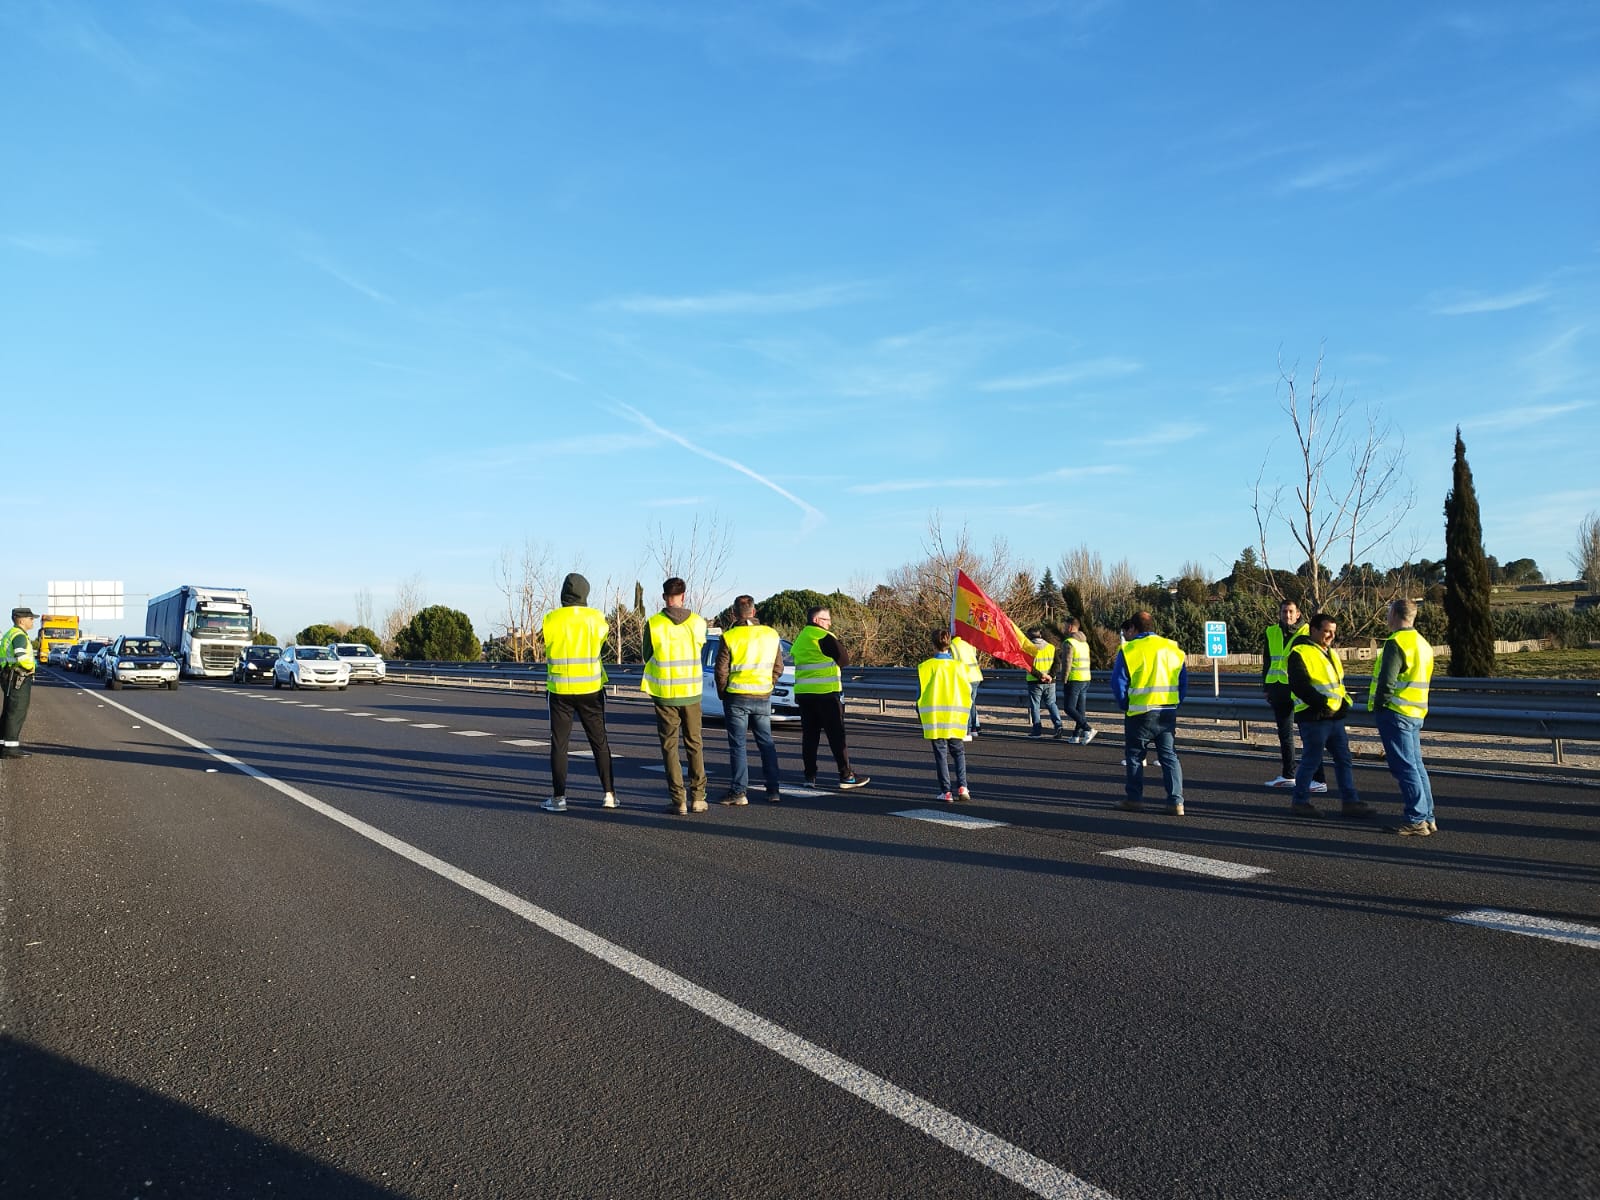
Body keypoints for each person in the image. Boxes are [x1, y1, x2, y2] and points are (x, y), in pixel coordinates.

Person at [1285, 613, 1374, 820]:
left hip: (1334, 717)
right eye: (1326, 631)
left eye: (1333, 632)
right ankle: (1300, 802)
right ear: (1313, 630)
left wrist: (1341, 706)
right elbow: (1300, 686)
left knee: (1344, 759)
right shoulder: (1300, 652)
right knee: (1312, 761)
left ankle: (1350, 802)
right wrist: (1323, 705)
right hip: (1314, 718)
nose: (1330, 635)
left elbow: (1337, 685)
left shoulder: (1330, 653)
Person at [540, 573, 616, 812]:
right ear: (585, 594)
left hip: (560, 689)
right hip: (591, 689)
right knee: (599, 742)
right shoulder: (596, 618)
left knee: (559, 744)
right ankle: (609, 795)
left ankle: (559, 798)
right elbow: (602, 641)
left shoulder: (551, 619)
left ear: (563, 594)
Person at [1369, 598, 1438, 836]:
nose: (1387, 617)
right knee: (1416, 766)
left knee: (1404, 767)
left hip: (1396, 712)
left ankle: (1416, 818)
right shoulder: (1423, 644)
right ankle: (1427, 816)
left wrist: (1379, 706)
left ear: (1394, 615)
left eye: (1388, 612)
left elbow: (1387, 683)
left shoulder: (1396, 642)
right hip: (1416, 711)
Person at [642, 577, 709, 815]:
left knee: (670, 746)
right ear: (683, 596)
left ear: (664, 597)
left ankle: (678, 800)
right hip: (691, 692)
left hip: (665, 693)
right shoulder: (699, 623)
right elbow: (700, 648)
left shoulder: (654, 623)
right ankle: (698, 797)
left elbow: (646, 654)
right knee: (694, 743)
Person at [1109, 611, 1186, 816]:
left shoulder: (1129, 649)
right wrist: (1175, 703)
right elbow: (1182, 682)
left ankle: (1134, 799)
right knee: (1169, 757)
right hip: (1167, 710)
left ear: (1133, 628)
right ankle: (1176, 802)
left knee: (1135, 756)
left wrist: (1126, 704)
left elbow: (1118, 683)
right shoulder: (1172, 647)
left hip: (1140, 712)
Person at [714, 594, 784, 806]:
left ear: (734, 614)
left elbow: (721, 670)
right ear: (754, 612)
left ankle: (739, 792)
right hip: (763, 696)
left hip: (736, 696)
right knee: (766, 743)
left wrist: (723, 693)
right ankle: (773, 790)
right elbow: (778, 666)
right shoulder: (771, 634)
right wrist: (769, 684)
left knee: (738, 746)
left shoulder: (730, 636)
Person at [791, 605, 868, 790]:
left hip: (804, 695)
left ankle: (809, 776)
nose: (830, 623)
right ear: (817, 621)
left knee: (810, 737)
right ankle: (846, 775)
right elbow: (844, 659)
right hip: (826, 695)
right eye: (827, 620)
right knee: (836, 736)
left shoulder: (801, 638)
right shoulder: (822, 636)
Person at [1262, 599, 1326, 794]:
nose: (1287, 615)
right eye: (1284, 612)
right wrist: (1266, 686)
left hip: (1301, 690)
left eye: (1291, 612)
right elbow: (1267, 661)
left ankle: (1319, 779)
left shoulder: (1308, 632)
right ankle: (1289, 774)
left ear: (1298, 614)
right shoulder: (1271, 632)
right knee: (1285, 735)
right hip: (1278, 689)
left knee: (1309, 735)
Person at [917, 629, 973, 802]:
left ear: (933, 644)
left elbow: (921, 694)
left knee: (941, 754)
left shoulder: (926, 667)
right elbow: (968, 693)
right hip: (956, 717)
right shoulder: (961, 667)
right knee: (958, 752)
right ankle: (963, 787)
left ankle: (946, 792)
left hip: (935, 718)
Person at [0, 607, 38, 759]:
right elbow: (21, 656)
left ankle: (3, 744)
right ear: (21, 620)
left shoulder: (11, 633)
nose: (32, 620)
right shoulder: (20, 635)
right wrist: (30, 668)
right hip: (18, 677)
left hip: (10, 675)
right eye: (30, 618)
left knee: (9, 711)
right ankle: (10, 748)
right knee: (16, 712)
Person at [1062, 617, 1096, 744]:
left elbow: (1067, 663)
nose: (1064, 628)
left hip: (1074, 678)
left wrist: (1064, 679)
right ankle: (1076, 735)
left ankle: (1088, 729)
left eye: (1065, 625)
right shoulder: (1084, 643)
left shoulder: (1069, 642)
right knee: (1080, 710)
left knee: (1069, 708)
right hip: (1086, 678)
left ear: (1070, 627)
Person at [1025, 632, 1066, 738]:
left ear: (1029, 636)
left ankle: (1037, 730)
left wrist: (1040, 676)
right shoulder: (1051, 647)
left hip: (1034, 681)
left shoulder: (1028, 648)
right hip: (1050, 682)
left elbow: (1028, 666)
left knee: (1035, 705)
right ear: (1040, 636)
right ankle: (1058, 726)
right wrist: (1050, 676)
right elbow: (1057, 663)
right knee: (1051, 703)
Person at [950, 634, 983, 740]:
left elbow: (951, 662)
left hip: (965, 676)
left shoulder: (953, 644)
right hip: (975, 675)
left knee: (965, 704)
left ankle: (967, 731)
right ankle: (974, 728)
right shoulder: (969, 640)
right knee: (971, 702)